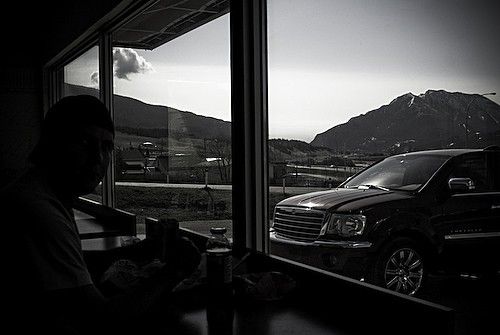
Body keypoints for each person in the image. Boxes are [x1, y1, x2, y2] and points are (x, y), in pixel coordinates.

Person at [0, 95, 201, 334]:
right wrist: (176, 270)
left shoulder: (44, 193)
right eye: (84, 141)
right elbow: (102, 320)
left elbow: (73, 266)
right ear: (52, 144)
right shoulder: (38, 210)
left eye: (106, 146)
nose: (98, 158)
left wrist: (135, 251)